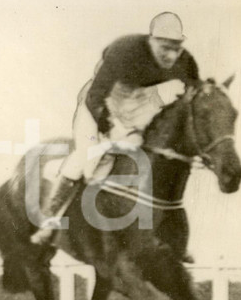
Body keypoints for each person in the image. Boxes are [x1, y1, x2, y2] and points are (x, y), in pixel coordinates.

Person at [31, 12, 200, 245]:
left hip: (137, 102)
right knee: (88, 158)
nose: (171, 55)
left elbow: (196, 96)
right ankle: (50, 221)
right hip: (99, 102)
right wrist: (105, 131)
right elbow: (96, 96)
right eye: (165, 47)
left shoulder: (186, 61)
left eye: (176, 48)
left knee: (147, 151)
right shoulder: (125, 51)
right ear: (151, 40)